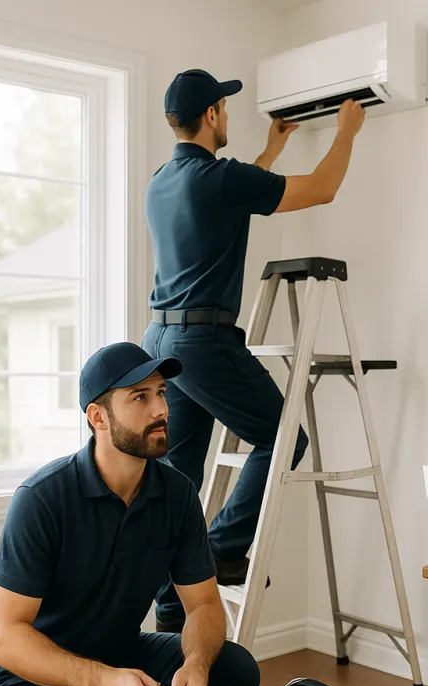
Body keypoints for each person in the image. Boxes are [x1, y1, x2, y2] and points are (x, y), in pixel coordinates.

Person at [140, 69, 367, 633]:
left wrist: (271, 148)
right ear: (214, 115)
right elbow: (322, 188)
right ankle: (217, 551)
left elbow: (230, 198)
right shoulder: (222, 179)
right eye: (225, 107)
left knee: (181, 479)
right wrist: (348, 130)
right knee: (286, 436)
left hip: (162, 342)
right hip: (204, 343)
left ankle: (170, 616)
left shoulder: (162, 180)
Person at [0, 342, 261, 686]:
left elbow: (205, 604)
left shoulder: (177, 495)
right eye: (140, 397)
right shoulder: (42, 499)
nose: (161, 409)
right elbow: (2, 636)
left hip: (117, 651)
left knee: (232, 669)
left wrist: (195, 664)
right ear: (98, 418)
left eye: (161, 392)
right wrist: (98, 680)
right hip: (34, 672)